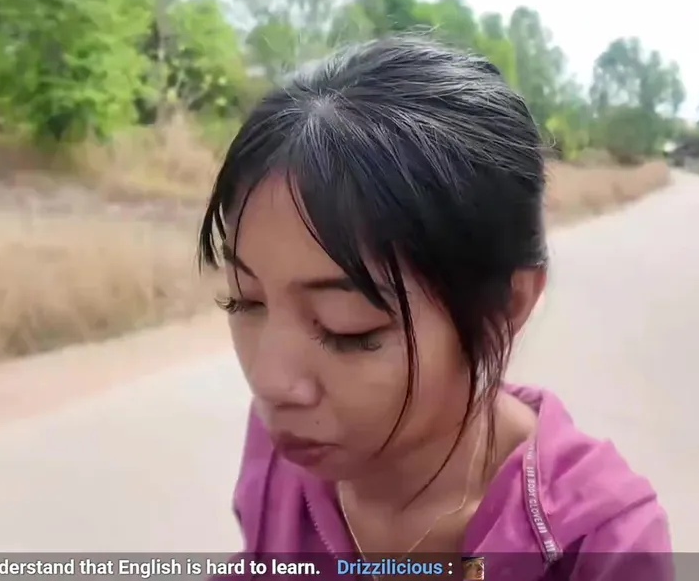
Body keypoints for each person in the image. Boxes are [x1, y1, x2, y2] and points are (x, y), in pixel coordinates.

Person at [199, 37, 672, 580]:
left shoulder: (600, 547)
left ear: (505, 306)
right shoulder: (288, 446)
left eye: (346, 328)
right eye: (245, 300)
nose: (271, 382)